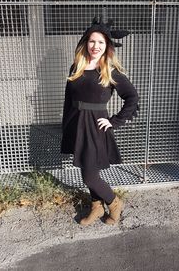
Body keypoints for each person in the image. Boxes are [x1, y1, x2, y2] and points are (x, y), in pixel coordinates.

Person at [61, 16, 139, 226]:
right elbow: (69, 100)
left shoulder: (110, 71)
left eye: (101, 42)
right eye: (92, 41)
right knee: (86, 169)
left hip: (96, 128)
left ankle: (114, 203)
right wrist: (66, 128)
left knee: (90, 177)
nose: (96, 46)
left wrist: (114, 121)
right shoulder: (76, 66)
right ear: (86, 42)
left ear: (108, 46)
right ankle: (96, 207)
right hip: (76, 125)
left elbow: (132, 98)